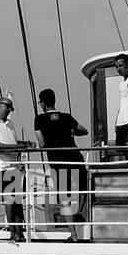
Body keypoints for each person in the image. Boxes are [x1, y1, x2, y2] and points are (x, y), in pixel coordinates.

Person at [34, 87, 88, 228]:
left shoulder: (39, 120)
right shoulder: (66, 117)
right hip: (75, 157)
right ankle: (80, 212)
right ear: (54, 101)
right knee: (83, 187)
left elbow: (42, 144)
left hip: (58, 160)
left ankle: (72, 231)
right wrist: (70, 131)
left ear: (43, 103)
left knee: (65, 196)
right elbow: (84, 131)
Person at [0, 95, 31, 240]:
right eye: (7, 106)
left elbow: (11, 142)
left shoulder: (9, 124)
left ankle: (19, 230)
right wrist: (17, 146)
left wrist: (23, 144)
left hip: (12, 165)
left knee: (17, 201)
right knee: (10, 198)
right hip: (0, 164)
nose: (9, 110)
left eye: (11, 107)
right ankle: (13, 230)